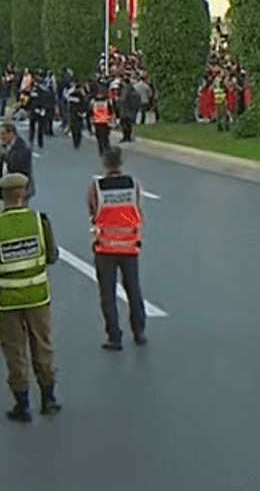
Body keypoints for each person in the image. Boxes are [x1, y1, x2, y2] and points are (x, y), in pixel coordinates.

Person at [0, 173, 60, 422]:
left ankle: (22, 405)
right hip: (37, 296)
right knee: (42, 346)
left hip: (8, 299)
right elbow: (52, 256)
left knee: (14, 351)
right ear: (23, 194)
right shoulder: (40, 222)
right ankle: (48, 399)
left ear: (2, 197)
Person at [87, 148, 147, 350]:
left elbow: (93, 211)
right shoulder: (133, 185)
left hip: (105, 248)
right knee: (134, 290)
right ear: (121, 163)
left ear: (105, 163)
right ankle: (139, 331)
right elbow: (139, 209)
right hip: (130, 247)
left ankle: (114, 336)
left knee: (108, 294)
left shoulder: (97, 187)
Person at [0, 123, 34, 200]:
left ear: (11, 134)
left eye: (3, 134)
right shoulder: (4, 147)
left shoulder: (22, 148)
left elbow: (18, 168)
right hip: (8, 188)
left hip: (19, 189)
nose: (1, 137)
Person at [91, 85, 115, 155]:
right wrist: (111, 119)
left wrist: (92, 120)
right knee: (106, 136)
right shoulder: (107, 103)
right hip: (105, 122)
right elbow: (111, 112)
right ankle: (106, 147)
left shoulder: (94, 103)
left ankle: (101, 149)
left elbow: (91, 112)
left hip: (97, 122)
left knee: (99, 137)